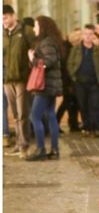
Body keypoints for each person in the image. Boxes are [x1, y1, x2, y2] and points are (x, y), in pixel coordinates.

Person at [27, 16, 65, 161]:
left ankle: (40, 149)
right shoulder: (49, 41)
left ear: (43, 27)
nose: (34, 29)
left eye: (36, 25)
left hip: (44, 85)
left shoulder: (46, 42)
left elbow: (48, 62)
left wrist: (33, 59)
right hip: (50, 85)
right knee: (50, 115)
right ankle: (54, 150)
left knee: (35, 116)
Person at [4, 5, 34, 156]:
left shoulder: (26, 31)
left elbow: (34, 51)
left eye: (5, 18)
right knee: (15, 114)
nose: (3, 21)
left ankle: (24, 146)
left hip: (22, 79)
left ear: (13, 16)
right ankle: (18, 143)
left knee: (23, 114)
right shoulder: (3, 34)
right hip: (7, 80)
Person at [67, 25, 99, 137]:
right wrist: (74, 77)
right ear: (82, 36)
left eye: (90, 34)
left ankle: (94, 128)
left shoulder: (98, 50)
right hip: (80, 82)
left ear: (93, 35)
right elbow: (70, 64)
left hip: (94, 82)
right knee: (83, 105)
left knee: (94, 105)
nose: (88, 36)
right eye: (86, 34)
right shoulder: (76, 49)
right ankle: (86, 127)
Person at [56, 28, 81, 133]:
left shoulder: (73, 48)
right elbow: (66, 67)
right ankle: (56, 122)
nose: (78, 39)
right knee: (67, 102)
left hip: (72, 81)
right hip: (67, 80)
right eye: (77, 36)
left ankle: (73, 124)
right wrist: (69, 83)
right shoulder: (66, 48)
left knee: (73, 102)